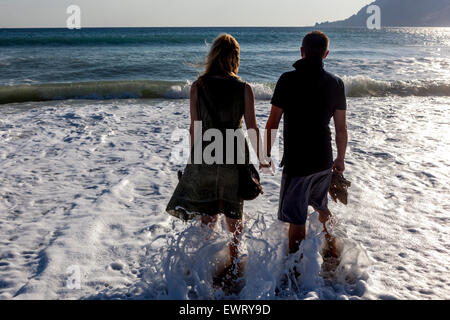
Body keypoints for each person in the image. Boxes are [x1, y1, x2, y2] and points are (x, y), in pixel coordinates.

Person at [166, 34, 268, 275]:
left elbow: (195, 128)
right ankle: (233, 268)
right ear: (235, 58)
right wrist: (262, 157)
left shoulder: (197, 87)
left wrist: (193, 161)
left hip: (206, 153)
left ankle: (202, 268)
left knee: (208, 216)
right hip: (234, 152)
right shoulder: (244, 89)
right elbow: (252, 127)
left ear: (212, 55)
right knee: (234, 215)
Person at [264, 31, 348, 254]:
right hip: (323, 159)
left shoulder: (287, 79)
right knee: (322, 208)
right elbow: (341, 127)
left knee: (297, 218)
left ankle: (295, 272)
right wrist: (340, 158)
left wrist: (265, 155)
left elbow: (272, 122)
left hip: (297, 163)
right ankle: (332, 248)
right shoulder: (336, 83)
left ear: (302, 52)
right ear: (326, 54)